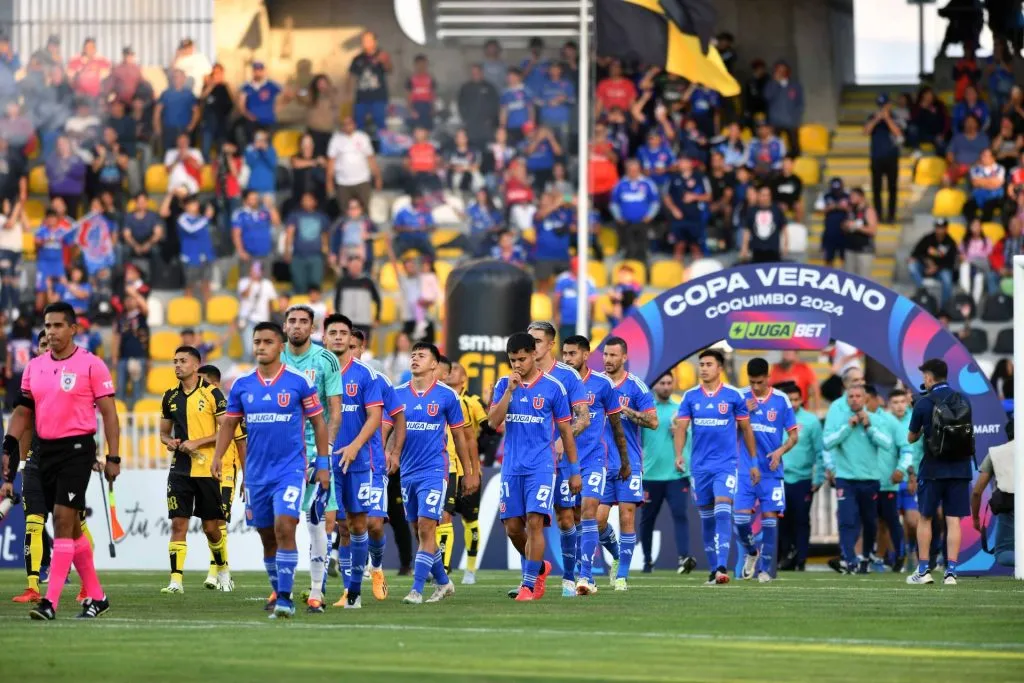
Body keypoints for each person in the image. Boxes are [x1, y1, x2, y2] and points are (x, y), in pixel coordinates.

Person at [4, 302, 120, 620]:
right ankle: (97, 596)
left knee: (61, 519)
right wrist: (9, 445)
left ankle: (50, 602)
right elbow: (23, 412)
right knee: (73, 530)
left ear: (73, 329)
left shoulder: (92, 365)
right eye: (48, 326)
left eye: (57, 325)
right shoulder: (34, 367)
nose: (51, 331)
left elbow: (109, 413)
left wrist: (113, 456)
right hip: (44, 451)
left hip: (77, 449)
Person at [213, 321, 331, 619]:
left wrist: (324, 462)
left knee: (285, 525)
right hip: (256, 474)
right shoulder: (242, 385)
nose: (261, 347)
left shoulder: (299, 381)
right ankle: (279, 590)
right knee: (267, 535)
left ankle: (287, 599)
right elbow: (229, 424)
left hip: (290, 470)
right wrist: (218, 457)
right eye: (257, 342)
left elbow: (319, 422)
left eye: (267, 341)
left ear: (280, 346)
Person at [487, 333, 580, 601]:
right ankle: (538, 569)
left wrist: (574, 470)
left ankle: (528, 586)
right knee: (513, 528)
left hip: (541, 466)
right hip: (511, 467)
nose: (517, 365)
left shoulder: (553, 388)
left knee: (536, 522)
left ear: (533, 355)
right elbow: (492, 422)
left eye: (522, 359)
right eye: (513, 360)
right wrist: (509, 391)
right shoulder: (505, 384)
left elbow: (565, 432)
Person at [395, 342, 478, 604]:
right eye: (413, 355)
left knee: (427, 527)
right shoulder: (397, 394)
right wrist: (388, 453)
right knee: (418, 529)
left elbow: (460, 435)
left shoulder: (446, 396)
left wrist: (467, 472)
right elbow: (387, 429)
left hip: (435, 470)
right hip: (407, 472)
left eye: (421, 355)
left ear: (434, 364)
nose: (415, 359)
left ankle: (417, 590)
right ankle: (443, 582)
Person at [278, 306, 343, 612]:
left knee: (317, 521)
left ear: (312, 327)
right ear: (284, 325)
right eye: (292, 321)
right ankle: (281, 587)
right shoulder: (274, 359)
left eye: (304, 322)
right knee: (281, 523)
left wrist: (325, 454)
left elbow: (335, 410)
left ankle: (317, 591)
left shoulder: (325, 359)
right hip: (283, 455)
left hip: (316, 453)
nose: (297, 326)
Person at [317, 312, 383, 609]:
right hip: (323, 460)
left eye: (344, 332)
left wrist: (355, 445)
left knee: (357, 525)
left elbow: (375, 417)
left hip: (356, 460)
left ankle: (354, 593)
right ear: (324, 336)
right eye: (334, 332)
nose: (339, 337)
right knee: (326, 523)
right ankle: (320, 589)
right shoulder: (312, 373)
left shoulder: (365, 375)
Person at [674, 348, 757, 585]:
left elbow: (746, 429)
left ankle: (722, 567)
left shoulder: (732, 396)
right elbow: (680, 427)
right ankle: (714, 570)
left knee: (723, 512)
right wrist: (679, 455)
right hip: (699, 467)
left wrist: (753, 462)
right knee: (707, 519)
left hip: (726, 465)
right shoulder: (690, 396)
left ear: (719, 368)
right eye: (701, 364)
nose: (703, 368)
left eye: (708, 364)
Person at [158, 347, 235, 594]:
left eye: (182, 361)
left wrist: (198, 442)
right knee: (178, 524)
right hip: (179, 469)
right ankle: (175, 581)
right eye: (175, 361)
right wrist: (168, 441)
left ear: (195, 365)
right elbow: (163, 431)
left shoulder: (213, 393)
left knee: (211, 528)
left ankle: (222, 569)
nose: (177, 365)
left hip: (206, 468)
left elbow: (226, 430)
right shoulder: (169, 396)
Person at [558, 335, 629, 594]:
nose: (567, 358)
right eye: (564, 353)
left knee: (590, 512)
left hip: (595, 459)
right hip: (567, 461)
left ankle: (585, 577)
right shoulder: (558, 383)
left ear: (586, 355)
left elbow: (616, 423)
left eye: (572, 353)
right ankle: (609, 554)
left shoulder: (602, 385)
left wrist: (624, 460)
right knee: (572, 519)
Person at [527, 322, 590, 595]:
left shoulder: (568, 376)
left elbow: (583, 417)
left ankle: (567, 576)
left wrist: (560, 441)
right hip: (529, 461)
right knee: (528, 521)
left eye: (537, 341)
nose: (532, 346)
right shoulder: (520, 374)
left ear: (550, 344)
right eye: (529, 340)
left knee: (565, 517)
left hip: (560, 459)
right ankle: (531, 578)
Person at [346, 329, 407, 591]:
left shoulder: (377, 379)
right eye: (345, 346)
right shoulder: (329, 377)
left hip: (371, 462)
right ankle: (351, 587)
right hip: (342, 462)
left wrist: (393, 451)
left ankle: (378, 567)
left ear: (362, 350)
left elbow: (396, 415)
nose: (349, 351)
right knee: (345, 524)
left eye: (354, 346)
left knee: (373, 523)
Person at [596, 336, 658, 591]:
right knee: (596, 521)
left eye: (613, 356)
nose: (608, 360)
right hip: (599, 462)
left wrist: (626, 411)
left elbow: (653, 422)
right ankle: (617, 553)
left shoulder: (636, 387)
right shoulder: (595, 384)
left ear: (624, 357)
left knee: (627, 516)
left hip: (628, 463)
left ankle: (621, 576)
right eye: (606, 355)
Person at [906, 358, 975, 585]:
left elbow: (911, 437)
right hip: (961, 468)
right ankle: (951, 572)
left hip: (933, 468)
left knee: (925, 518)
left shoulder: (923, 403)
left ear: (928, 377)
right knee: (953, 520)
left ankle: (924, 570)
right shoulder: (962, 399)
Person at [733, 358, 799, 582]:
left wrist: (780, 451)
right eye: (752, 382)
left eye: (759, 382)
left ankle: (765, 570)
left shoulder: (781, 400)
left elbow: (793, 436)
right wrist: (741, 416)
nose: (755, 387)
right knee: (740, 520)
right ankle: (752, 553)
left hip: (771, 471)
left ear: (768, 377)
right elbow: (728, 432)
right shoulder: (740, 397)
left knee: (771, 520)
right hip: (744, 470)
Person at [823, 384, 893, 574]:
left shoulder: (876, 419)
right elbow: (827, 442)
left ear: (865, 399)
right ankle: (849, 560)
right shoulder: (841, 419)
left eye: (858, 396)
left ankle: (865, 557)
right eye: (851, 396)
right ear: (847, 399)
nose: (854, 399)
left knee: (870, 522)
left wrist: (869, 426)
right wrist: (848, 427)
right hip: (846, 479)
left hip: (870, 479)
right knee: (847, 520)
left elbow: (887, 444)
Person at [195, 364, 246, 587]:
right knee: (210, 524)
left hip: (226, 472)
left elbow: (241, 442)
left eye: (203, 382)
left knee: (219, 520)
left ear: (214, 385)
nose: (199, 387)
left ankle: (215, 572)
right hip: (204, 472)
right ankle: (220, 569)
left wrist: (247, 476)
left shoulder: (229, 410)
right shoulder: (198, 409)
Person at [640, 372, 696, 574]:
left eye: (669, 383)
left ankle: (683, 559)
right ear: (655, 386)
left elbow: (690, 439)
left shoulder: (680, 409)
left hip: (676, 474)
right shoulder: (647, 410)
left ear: (674, 384)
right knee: (647, 520)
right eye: (662, 383)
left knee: (680, 515)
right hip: (650, 475)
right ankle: (647, 561)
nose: (665, 386)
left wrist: (681, 432)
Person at [440, 362, 484, 583]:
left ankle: (470, 569)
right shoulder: (436, 396)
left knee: (469, 519)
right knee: (440, 518)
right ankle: (442, 569)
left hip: (461, 467)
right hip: (441, 468)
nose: (450, 373)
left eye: (456, 370)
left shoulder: (471, 402)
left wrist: (473, 470)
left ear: (464, 378)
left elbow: (477, 437)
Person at [777, 383, 824, 571]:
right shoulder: (774, 418)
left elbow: (820, 451)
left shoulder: (811, 421)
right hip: (778, 479)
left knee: (801, 520)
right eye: (790, 400)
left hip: (803, 479)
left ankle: (801, 559)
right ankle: (785, 557)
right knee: (781, 520)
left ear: (801, 399)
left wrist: (818, 477)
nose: (793, 403)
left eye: (796, 399)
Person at [864, 385, 910, 571]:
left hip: (889, 481)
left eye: (866, 399)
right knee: (874, 522)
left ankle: (899, 554)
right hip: (867, 480)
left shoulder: (891, 421)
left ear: (876, 399)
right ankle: (876, 558)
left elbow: (906, 449)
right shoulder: (857, 419)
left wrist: (901, 470)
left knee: (891, 520)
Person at [972, 421, 1014, 568]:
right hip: (1010, 506)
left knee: (1003, 553)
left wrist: (976, 518)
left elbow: (977, 491)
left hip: (1009, 507)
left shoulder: (996, 452)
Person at [327, 116, 383, 212]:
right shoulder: (336, 139)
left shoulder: (363, 137)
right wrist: (329, 182)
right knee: (344, 212)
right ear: (341, 127)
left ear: (354, 125)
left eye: (350, 124)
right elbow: (331, 162)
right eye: (344, 124)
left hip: (362, 181)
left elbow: (371, 159)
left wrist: (378, 177)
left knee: (365, 211)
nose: (347, 126)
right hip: (343, 183)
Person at [610, 159, 660, 263]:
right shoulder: (620, 184)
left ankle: (643, 269)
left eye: (635, 170)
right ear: (627, 171)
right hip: (626, 222)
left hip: (643, 221)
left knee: (642, 248)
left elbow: (655, 202)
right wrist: (618, 217)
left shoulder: (648, 183)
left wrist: (650, 216)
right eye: (630, 170)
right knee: (629, 248)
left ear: (639, 170)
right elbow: (614, 203)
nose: (633, 173)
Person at [865, 94, 904, 224]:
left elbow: (898, 133)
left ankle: (891, 216)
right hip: (876, 157)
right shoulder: (872, 116)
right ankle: (878, 215)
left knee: (892, 188)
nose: (882, 108)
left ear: (889, 105)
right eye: (880, 105)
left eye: (884, 105)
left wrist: (887, 119)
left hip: (892, 157)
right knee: (877, 189)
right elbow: (866, 131)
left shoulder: (895, 117)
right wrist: (876, 119)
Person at [664, 156, 711, 261]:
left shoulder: (700, 177)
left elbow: (709, 196)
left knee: (695, 246)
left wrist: (694, 197)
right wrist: (673, 209)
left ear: (691, 164)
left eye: (684, 161)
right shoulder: (673, 178)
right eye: (680, 161)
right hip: (678, 218)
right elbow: (666, 196)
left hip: (695, 216)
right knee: (679, 245)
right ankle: (676, 273)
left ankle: (699, 274)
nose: (681, 164)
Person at [284, 192, 329, 294]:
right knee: (299, 285)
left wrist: (326, 253)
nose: (306, 202)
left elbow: (325, 236)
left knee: (315, 285)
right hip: (298, 256)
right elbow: (289, 234)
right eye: (304, 200)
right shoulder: (294, 216)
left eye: (309, 199)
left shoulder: (321, 217)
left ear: (315, 202)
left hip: (316, 256)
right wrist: (287, 251)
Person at [908, 218, 959, 308]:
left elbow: (951, 262)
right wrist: (926, 261)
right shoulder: (927, 239)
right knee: (912, 265)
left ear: (946, 228)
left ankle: (944, 308)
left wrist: (936, 268)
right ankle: (922, 290)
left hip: (941, 270)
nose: (939, 230)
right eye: (938, 227)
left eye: (942, 228)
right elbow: (916, 253)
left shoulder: (950, 242)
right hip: (925, 268)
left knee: (947, 278)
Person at [347, 31, 392, 132]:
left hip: (378, 97)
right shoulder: (357, 58)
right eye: (364, 40)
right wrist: (349, 96)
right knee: (358, 124)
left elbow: (390, 70)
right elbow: (351, 77)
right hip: (361, 98)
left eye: (369, 40)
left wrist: (384, 61)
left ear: (374, 41)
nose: (366, 42)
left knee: (381, 125)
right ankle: (359, 146)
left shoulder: (382, 55)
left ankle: (382, 147)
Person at [176, 195, 217, 305]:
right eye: (192, 204)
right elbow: (192, 229)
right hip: (191, 257)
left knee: (207, 285)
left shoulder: (201, 219)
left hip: (206, 256)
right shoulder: (182, 219)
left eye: (196, 203)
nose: (195, 206)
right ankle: (188, 313)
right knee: (190, 285)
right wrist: (207, 218)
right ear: (186, 206)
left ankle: (210, 313)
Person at [155, 70, 199, 154]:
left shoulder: (189, 94)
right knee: (168, 154)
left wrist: (191, 126)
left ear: (184, 79)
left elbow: (196, 112)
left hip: (184, 130)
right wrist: (157, 127)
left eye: (178, 77)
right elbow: (157, 112)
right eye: (174, 77)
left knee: (184, 155)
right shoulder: (166, 93)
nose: (176, 79)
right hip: (169, 130)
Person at [740, 185, 788, 263]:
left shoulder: (777, 210)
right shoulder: (751, 210)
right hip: (757, 249)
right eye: (763, 195)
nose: (765, 197)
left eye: (767, 195)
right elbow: (747, 230)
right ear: (758, 196)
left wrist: (785, 245)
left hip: (773, 249)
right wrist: (744, 247)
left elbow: (784, 228)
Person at [843, 188, 878, 278]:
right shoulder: (851, 210)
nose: (851, 198)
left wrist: (856, 227)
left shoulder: (868, 210)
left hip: (864, 251)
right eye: (850, 196)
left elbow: (873, 231)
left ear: (861, 197)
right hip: (850, 249)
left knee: (863, 280)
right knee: (848, 279)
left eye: (853, 196)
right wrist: (846, 226)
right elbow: (845, 226)